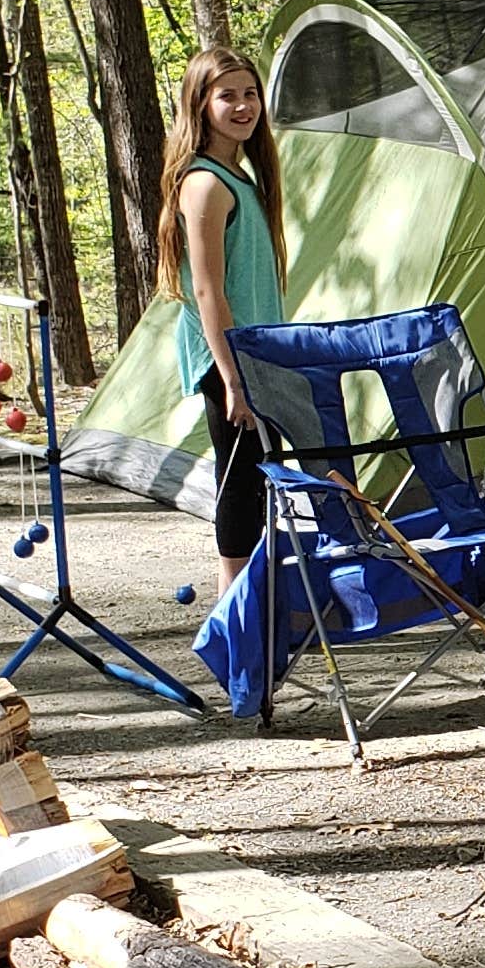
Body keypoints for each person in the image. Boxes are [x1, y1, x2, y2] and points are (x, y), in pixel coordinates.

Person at [155, 47, 287, 602]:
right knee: (240, 483)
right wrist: (233, 381)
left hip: (258, 355)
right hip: (229, 362)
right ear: (201, 104)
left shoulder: (242, 176)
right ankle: (233, 609)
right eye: (226, 95)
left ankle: (258, 599)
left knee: (262, 480)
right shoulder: (206, 184)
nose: (242, 106)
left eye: (250, 93)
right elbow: (207, 289)